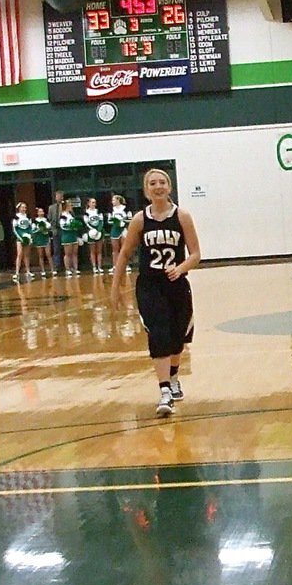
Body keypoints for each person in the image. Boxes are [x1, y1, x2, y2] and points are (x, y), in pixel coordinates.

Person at [110, 168, 201, 418]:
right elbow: (125, 254)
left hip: (176, 285)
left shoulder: (182, 216)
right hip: (150, 286)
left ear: (169, 187)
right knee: (158, 334)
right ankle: (164, 393)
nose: (158, 186)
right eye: (153, 183)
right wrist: (115, 286)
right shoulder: (140, 220)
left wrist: (181, 268)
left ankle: (173, 377)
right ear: (146, 190)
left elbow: (195, 254)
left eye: (162, 182)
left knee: (177, 338)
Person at [108, 194, 131, 274]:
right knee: (115, 249)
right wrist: (116, 222)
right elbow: (109, 220)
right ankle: (115, 266)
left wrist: (123, 222)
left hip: (123, 230)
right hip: (115, 230)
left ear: (118, 200)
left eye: (114, 200)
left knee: (124, 249)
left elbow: (130, 219)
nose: (112, 202)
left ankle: (126, 265)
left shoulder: (126, 209)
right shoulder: (111, 210)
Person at [11, 202, 33, 282]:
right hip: (20, 238)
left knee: (26, 255)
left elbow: (30, 227)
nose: (24, 209)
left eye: (25, 207)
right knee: (19, 254)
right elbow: (15, 229)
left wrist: (30, 236)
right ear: (19, 208)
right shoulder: (16, 217)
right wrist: (20, 237)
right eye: (22, 207)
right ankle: (17, 272)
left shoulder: (28, 216)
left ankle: (28, 271)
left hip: (27, 237)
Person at [59, 199, 81, 277]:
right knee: (68, 254)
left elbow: (74, 223)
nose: (71, 206)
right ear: (66, 206)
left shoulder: (71, 214)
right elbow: (62, 226)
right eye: (70, 205)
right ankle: (67, 269)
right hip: (67, 236)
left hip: (73, 235)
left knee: (75, 253)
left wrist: (76, 227)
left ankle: (75, 268)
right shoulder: (63, 215)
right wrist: (71, 227)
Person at [83, 197, 105, 274]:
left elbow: (101, 221)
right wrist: (93, 230)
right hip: (91, 232)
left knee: (99, 251)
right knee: (92, 251)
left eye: (94, 202)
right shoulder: (86, 212)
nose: (93, 204)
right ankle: (94, 267)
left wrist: (98, 230)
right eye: (92, 202)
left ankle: (99, 267)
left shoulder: (98, 211)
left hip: (99, 232)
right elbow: (86, 223)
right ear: (88, 203)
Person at [31, 208, 53, 277]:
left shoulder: (46, 220)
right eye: (39, 211)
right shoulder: (35, 221)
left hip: (46, 238)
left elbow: (50, 228)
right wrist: (39, 229)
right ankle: (42, 270)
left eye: (42, 211)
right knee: (41, 255)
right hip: (39, 239)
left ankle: (52, 269)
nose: (41, 212)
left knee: (48, 254)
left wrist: (47, 230)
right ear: (37, 213)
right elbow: (33, 230)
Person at [48, 189, 64, 274]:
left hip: (64, 229)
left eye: (60, 196)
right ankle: (57, 266)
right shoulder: (51, 208)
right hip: (55, 230)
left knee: (65, 247)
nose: (59, 198)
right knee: (56, 248)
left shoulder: (66, 206)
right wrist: (52, 228)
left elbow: (71, 215)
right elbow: (49, 219)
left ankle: (67, 266)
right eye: (57, 196)